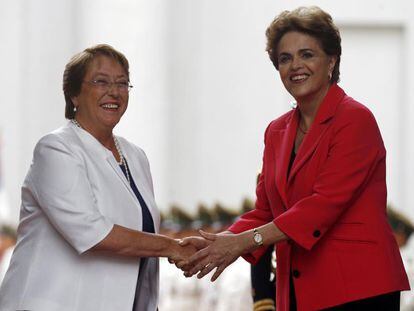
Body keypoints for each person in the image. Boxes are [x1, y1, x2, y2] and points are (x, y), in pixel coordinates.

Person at [178, 6, 410, 311]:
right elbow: (264, 211)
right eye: (284, 58)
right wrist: (215, 242)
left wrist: (241, 243)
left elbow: (320, 206)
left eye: (307, 54)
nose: (295, 66)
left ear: (332, 60)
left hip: (358, 289)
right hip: (298, 290)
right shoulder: (276, 131)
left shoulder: (355, 120)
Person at [0, 44, 195, 311]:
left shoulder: (136, 156)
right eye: (101, 81)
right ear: (74, 95)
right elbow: (92, 232)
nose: (114, 92)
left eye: (123, 83)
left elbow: (142, 235)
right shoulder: (56, 149)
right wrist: (173, 247)